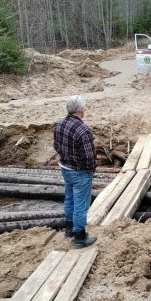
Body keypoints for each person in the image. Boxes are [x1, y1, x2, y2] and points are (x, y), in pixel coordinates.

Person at [53, 95, 97, 248]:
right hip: (80, 172)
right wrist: (90, 170)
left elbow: (56, 147)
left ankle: (69, 229)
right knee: (81, 204)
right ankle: (80, 236)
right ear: (81, 111)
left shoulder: (59, 125)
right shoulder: (83, 130)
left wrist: (67, 158)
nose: (85, 110)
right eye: (84, 108)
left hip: (65, 168)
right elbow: (89, 156)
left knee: (69, 198)